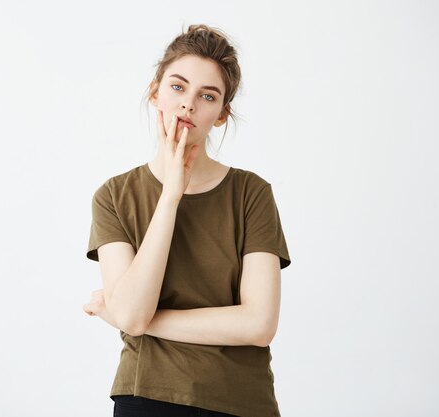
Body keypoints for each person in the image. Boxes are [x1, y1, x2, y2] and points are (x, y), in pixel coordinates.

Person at [82, 24, 291, 417]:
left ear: (222, 114)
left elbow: (259, 324)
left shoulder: (251, 194)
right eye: (178, 87)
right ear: (154, 91)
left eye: (206, 96)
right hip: (148, 396)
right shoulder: (114, 195)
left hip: (242, 402)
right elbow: (131, 314)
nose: (188, 105)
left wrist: (144, 323)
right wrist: (171, 195)